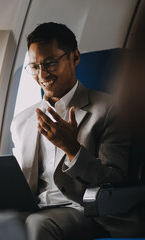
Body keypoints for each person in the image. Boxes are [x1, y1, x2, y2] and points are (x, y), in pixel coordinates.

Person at [10, 22, 131, 239]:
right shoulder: (21, 121)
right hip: (36, 208)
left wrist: (72, 148)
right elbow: (22, 184)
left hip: (86, 211)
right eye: (35, 67)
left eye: (50, 63)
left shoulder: (110, 109)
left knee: (38, 225)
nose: (42, 74)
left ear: (74, 58)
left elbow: (113, 180)